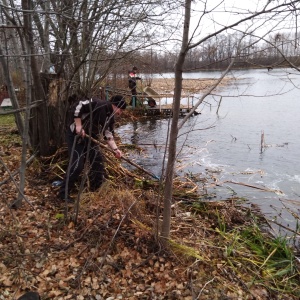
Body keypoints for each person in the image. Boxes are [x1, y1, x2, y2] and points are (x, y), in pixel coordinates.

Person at [58, 94, 127, 201]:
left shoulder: (110, 117)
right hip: (77, 137)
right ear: (116, 105)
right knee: (77, 165)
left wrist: (115, 149)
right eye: (121, 110)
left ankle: (97, 189)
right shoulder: (98, 104)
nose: (120, 113)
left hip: (90, 139)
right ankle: (63, 194)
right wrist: (78, 125)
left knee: (98, 162)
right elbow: (78, 106)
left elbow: (108, 133)